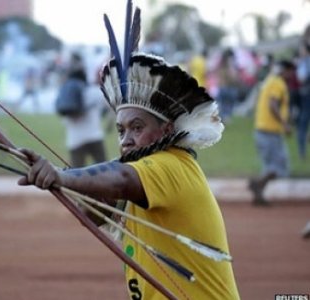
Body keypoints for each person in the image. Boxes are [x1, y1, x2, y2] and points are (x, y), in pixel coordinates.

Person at [17, 14, 239, 297]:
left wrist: (60, 176)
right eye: (121, 130)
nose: (127, 139)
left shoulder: (171, 164)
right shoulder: (138, 179)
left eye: (137, 127)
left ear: (166, 130)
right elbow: (90, 215)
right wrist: (60, 180)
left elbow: (120, 177)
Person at [248, 60, 294, 206]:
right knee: (279, 166)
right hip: (270, 131)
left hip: (263, 129)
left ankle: (258, 191)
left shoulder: (269, 80)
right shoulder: (278, 83)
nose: (293, 75)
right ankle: (257, 185)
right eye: (292, 71)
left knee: (274, 166)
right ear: (286, 70)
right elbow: (273, 104)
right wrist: (285, 123)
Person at [57, 55, 107, 168]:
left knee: (76, 176)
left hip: (75, 139)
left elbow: (63, 116)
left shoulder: (65, 93)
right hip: (94, 135)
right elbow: (107, 102)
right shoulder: (92, 92)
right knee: (104, 170)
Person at [214, 48, 240, 123]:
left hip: (222, 87)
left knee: (222, 104)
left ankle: (223, 118)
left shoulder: (220, 63)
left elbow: (217, 73)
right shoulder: (232, 63)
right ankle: (226, 118)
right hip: (229, 87)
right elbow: (233, 77)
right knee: (229, 104)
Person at [296, 38, 310, 160]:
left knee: (303, 124)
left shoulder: (306, 62)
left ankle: (302, 153)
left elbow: (301, 77)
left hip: (307, 96)